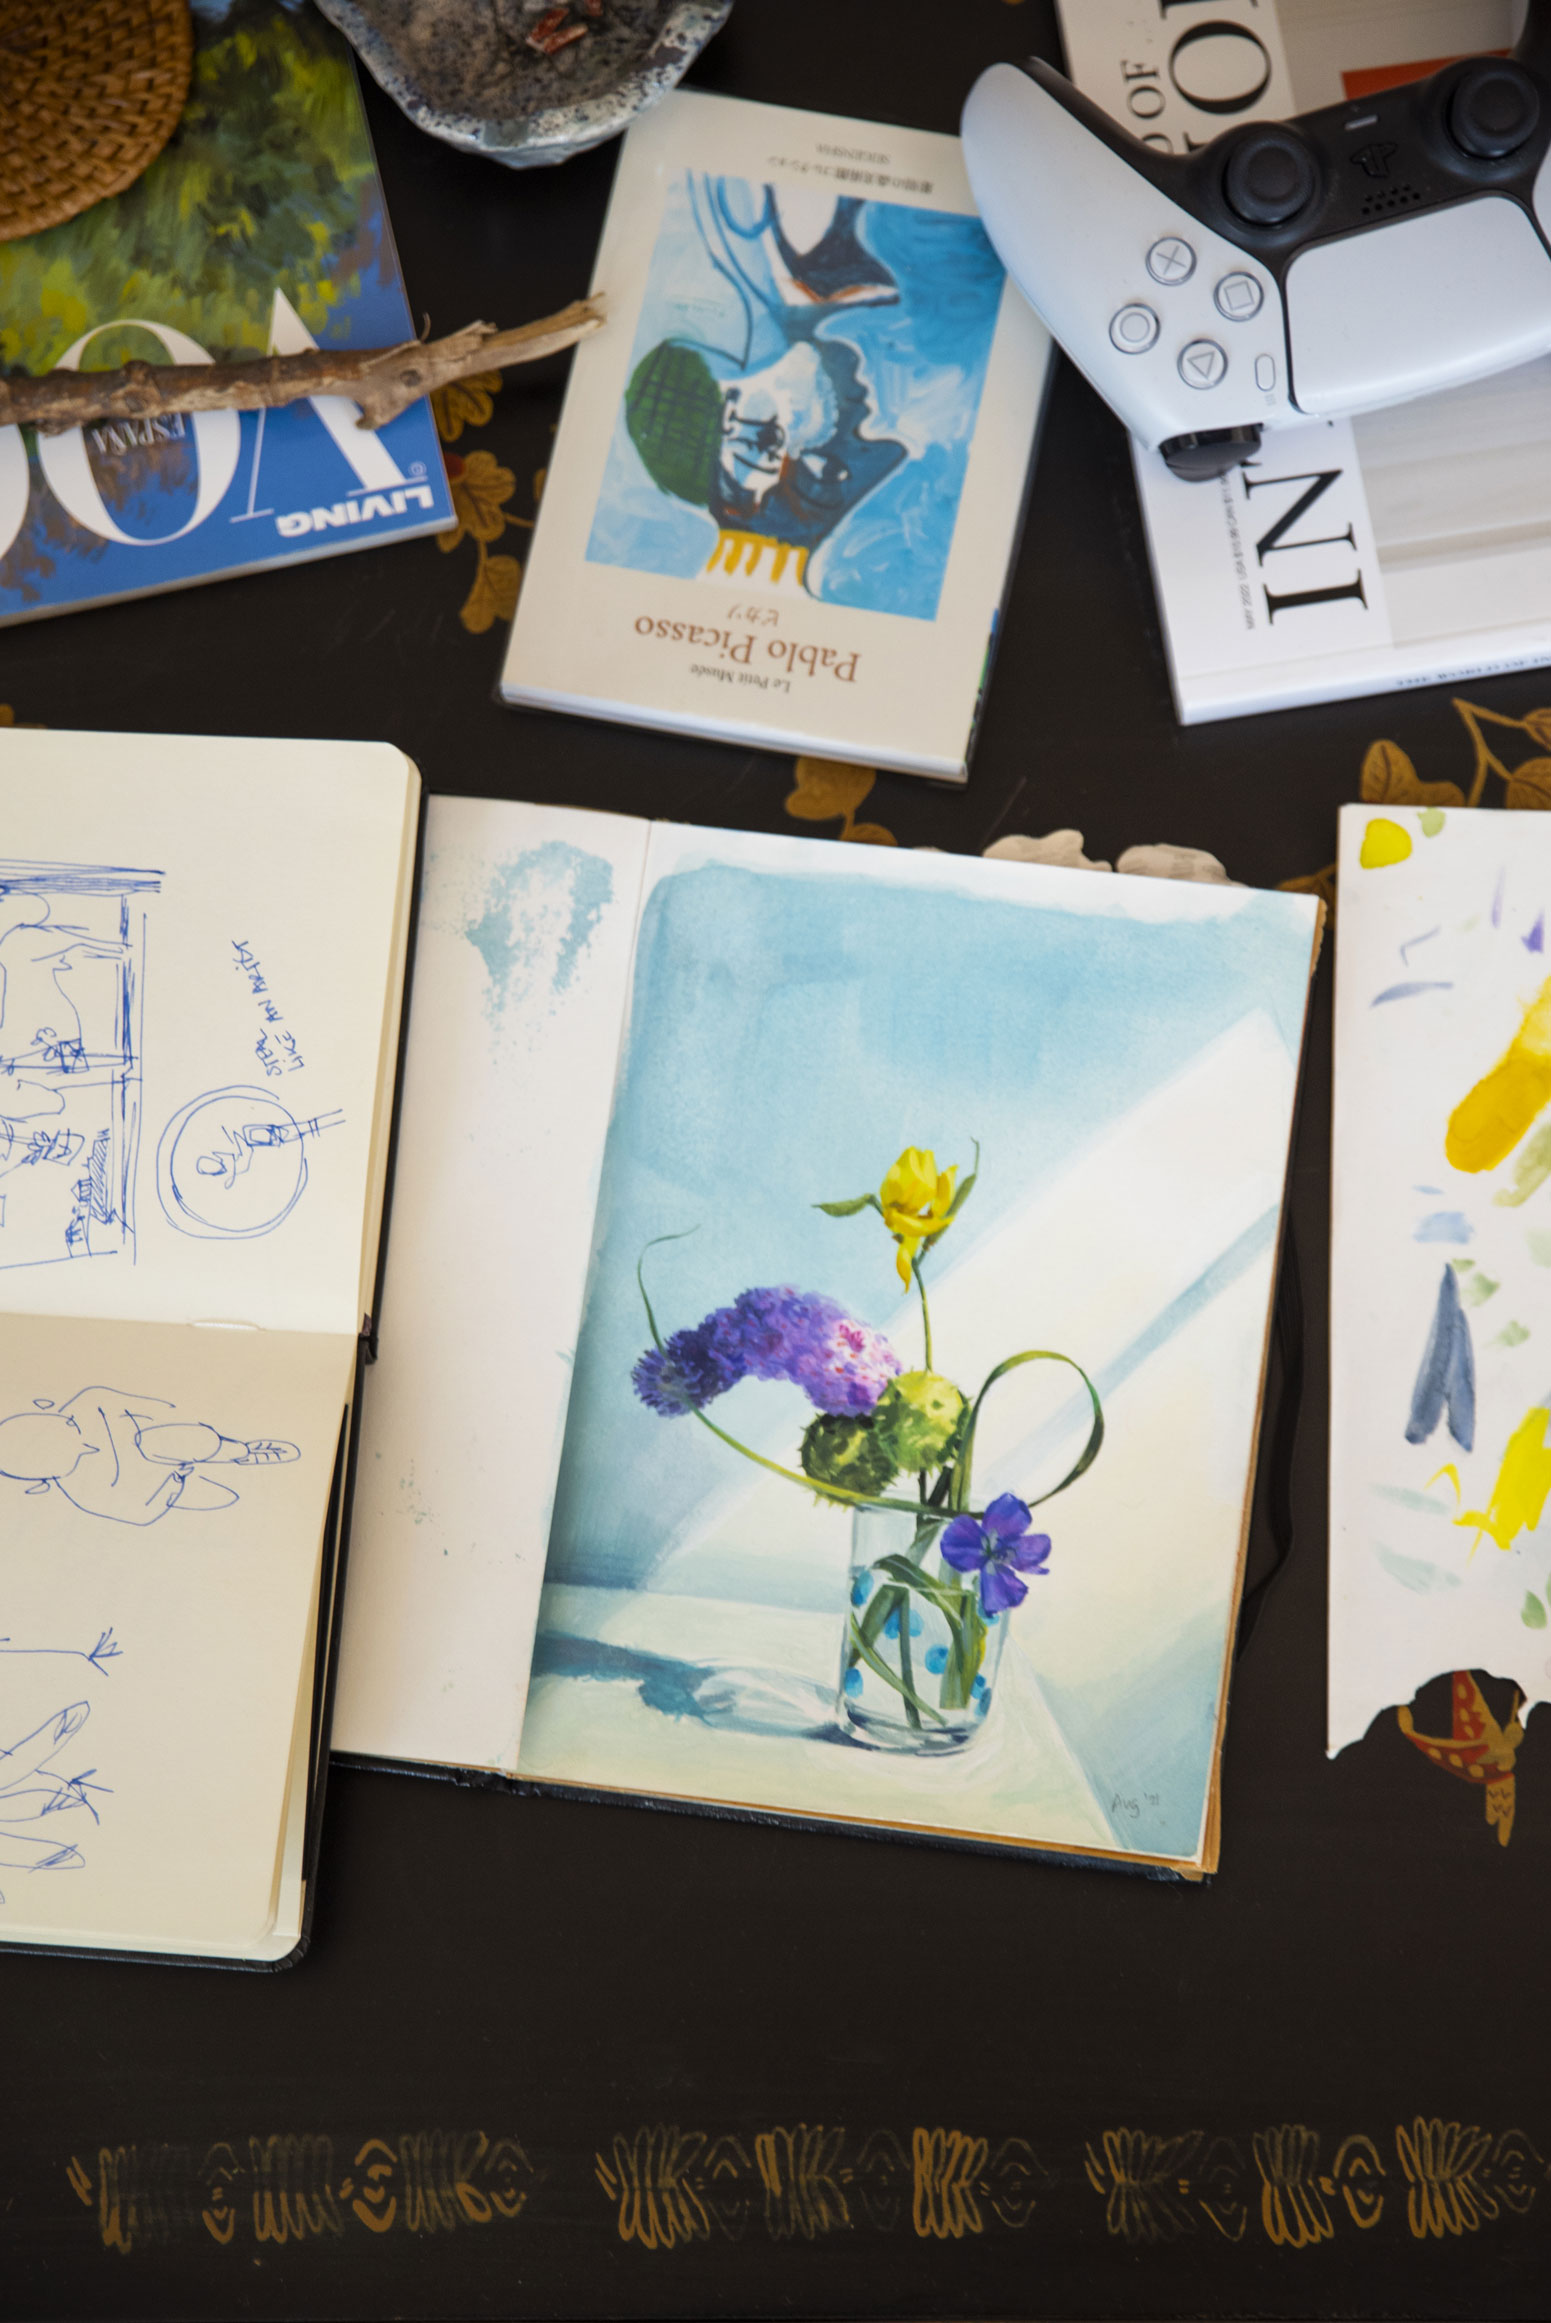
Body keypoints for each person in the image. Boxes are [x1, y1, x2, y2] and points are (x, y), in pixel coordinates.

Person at [0, 1387, 298, 1526]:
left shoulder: (91, 1405)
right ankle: (231, 1463)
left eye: (67, 1431)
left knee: (156, 1441)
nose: (84, 1446)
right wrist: (175, 1482)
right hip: (165, 1485)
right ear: (40, 1481)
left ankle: (243, 1452)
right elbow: (140, 1512)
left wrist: (180, 1425)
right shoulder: (85, 1494)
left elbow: (156, 1407)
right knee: (220, 1498)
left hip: (169, 1440)